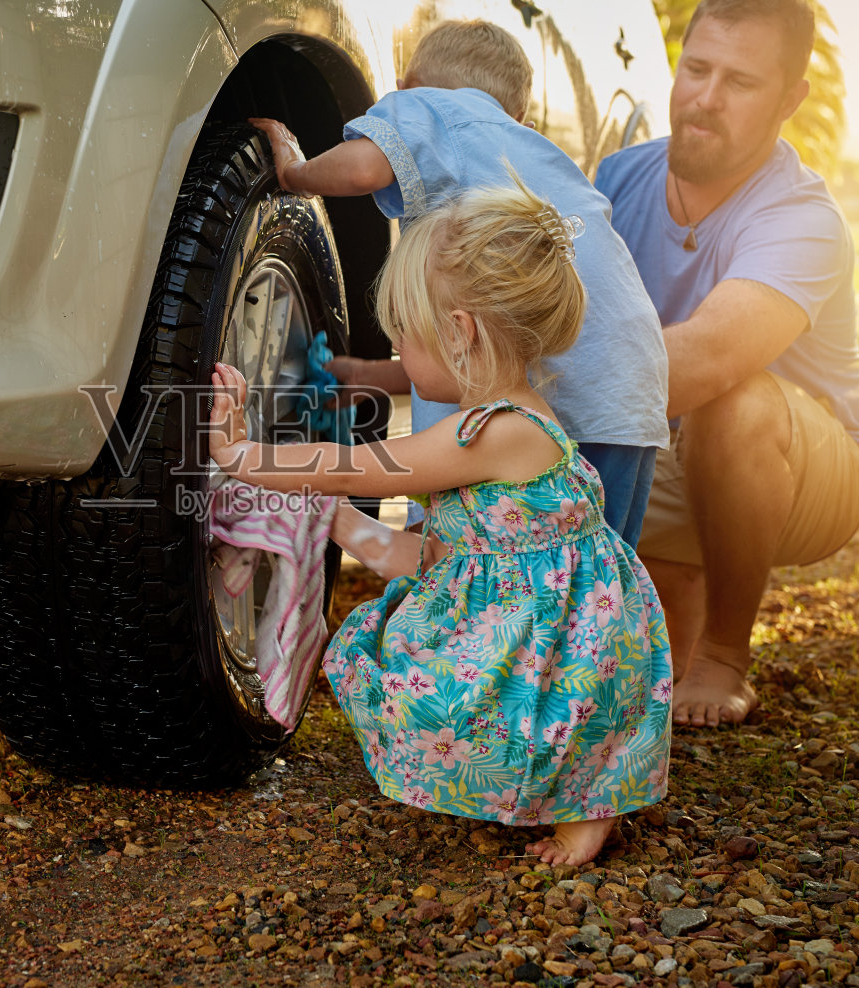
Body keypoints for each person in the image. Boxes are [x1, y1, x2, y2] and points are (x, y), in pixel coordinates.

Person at [209, 182, 672, 867]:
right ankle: (565, 792)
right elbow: (427, 559)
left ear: (460, 333)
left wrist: (239, 453)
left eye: (404, 334)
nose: (396, 347)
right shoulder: (506, 427)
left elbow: (353, 468)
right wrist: (329, 520)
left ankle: (589, 809)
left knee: (521, 715)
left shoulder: (494, 431)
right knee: (417, 672)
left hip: (570, 643)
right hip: (539, 619)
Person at [594, 0, 859, 728]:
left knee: (732, 395)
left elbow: (709, 358)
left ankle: (727, 652)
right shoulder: (620, 177)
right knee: (630, 676)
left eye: (741, 81)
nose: (705, 97)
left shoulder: (802, 219)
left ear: (791, 98)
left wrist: (519, 419)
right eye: (697, 69)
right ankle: (682, 607)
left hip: (802, 467)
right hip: (664, 437)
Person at [249, 19, 669, 547]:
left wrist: (294, 172)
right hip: (627, 389)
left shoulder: (431, 106)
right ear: (519, 115)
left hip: (555, 393)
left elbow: (360, 171)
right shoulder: (540, 155)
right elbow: (499, 347)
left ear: (406, 86)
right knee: (588, 577)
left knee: (446, 539)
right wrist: (370, 374)